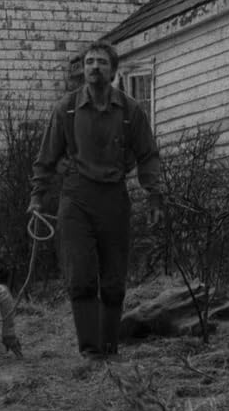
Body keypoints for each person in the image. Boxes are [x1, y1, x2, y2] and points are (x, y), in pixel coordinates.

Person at [28, 40, 163, 360]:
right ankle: (90, 351)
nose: (94, 67)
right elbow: (46, 157)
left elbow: (148, 155)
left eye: (102, 62)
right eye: (89, 62)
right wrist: (37, 197)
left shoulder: (130, 111)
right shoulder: (66, 108)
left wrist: (155, 196)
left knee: (114, 280)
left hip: (114, 197)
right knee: (81, 277)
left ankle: (109, 348)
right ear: (83, 69)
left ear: (113, 71)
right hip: (76, 198)